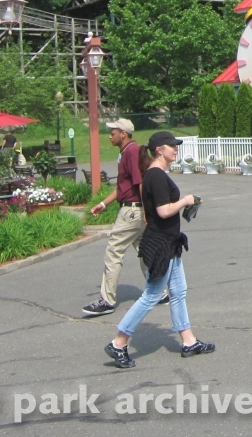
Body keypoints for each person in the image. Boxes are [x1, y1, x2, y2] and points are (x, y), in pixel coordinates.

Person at [104, 131, 214, 368]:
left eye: (176, 145)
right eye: (171, 146)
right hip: (160, 243)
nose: (175, 149)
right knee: (152, 295)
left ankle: (189, 341)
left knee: (178, 290)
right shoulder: (155, 175)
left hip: (169, 241)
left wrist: (188, 203)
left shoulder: (156, 174)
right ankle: (119, 342)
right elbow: (163, 211)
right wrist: (185, 201)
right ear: (158, 150)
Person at [83, 119, 168, 317]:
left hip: (131, 211)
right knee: (143, 251)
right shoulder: (127, 152)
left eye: (113, 132)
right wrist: (103, 204)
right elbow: (123, 187)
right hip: (135, 210)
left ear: (123, 133)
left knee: (114, 250)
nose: (109, 136)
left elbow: (139, 183)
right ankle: (160, 293)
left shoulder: (130, 152)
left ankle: (107, 300)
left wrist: (147, 211)